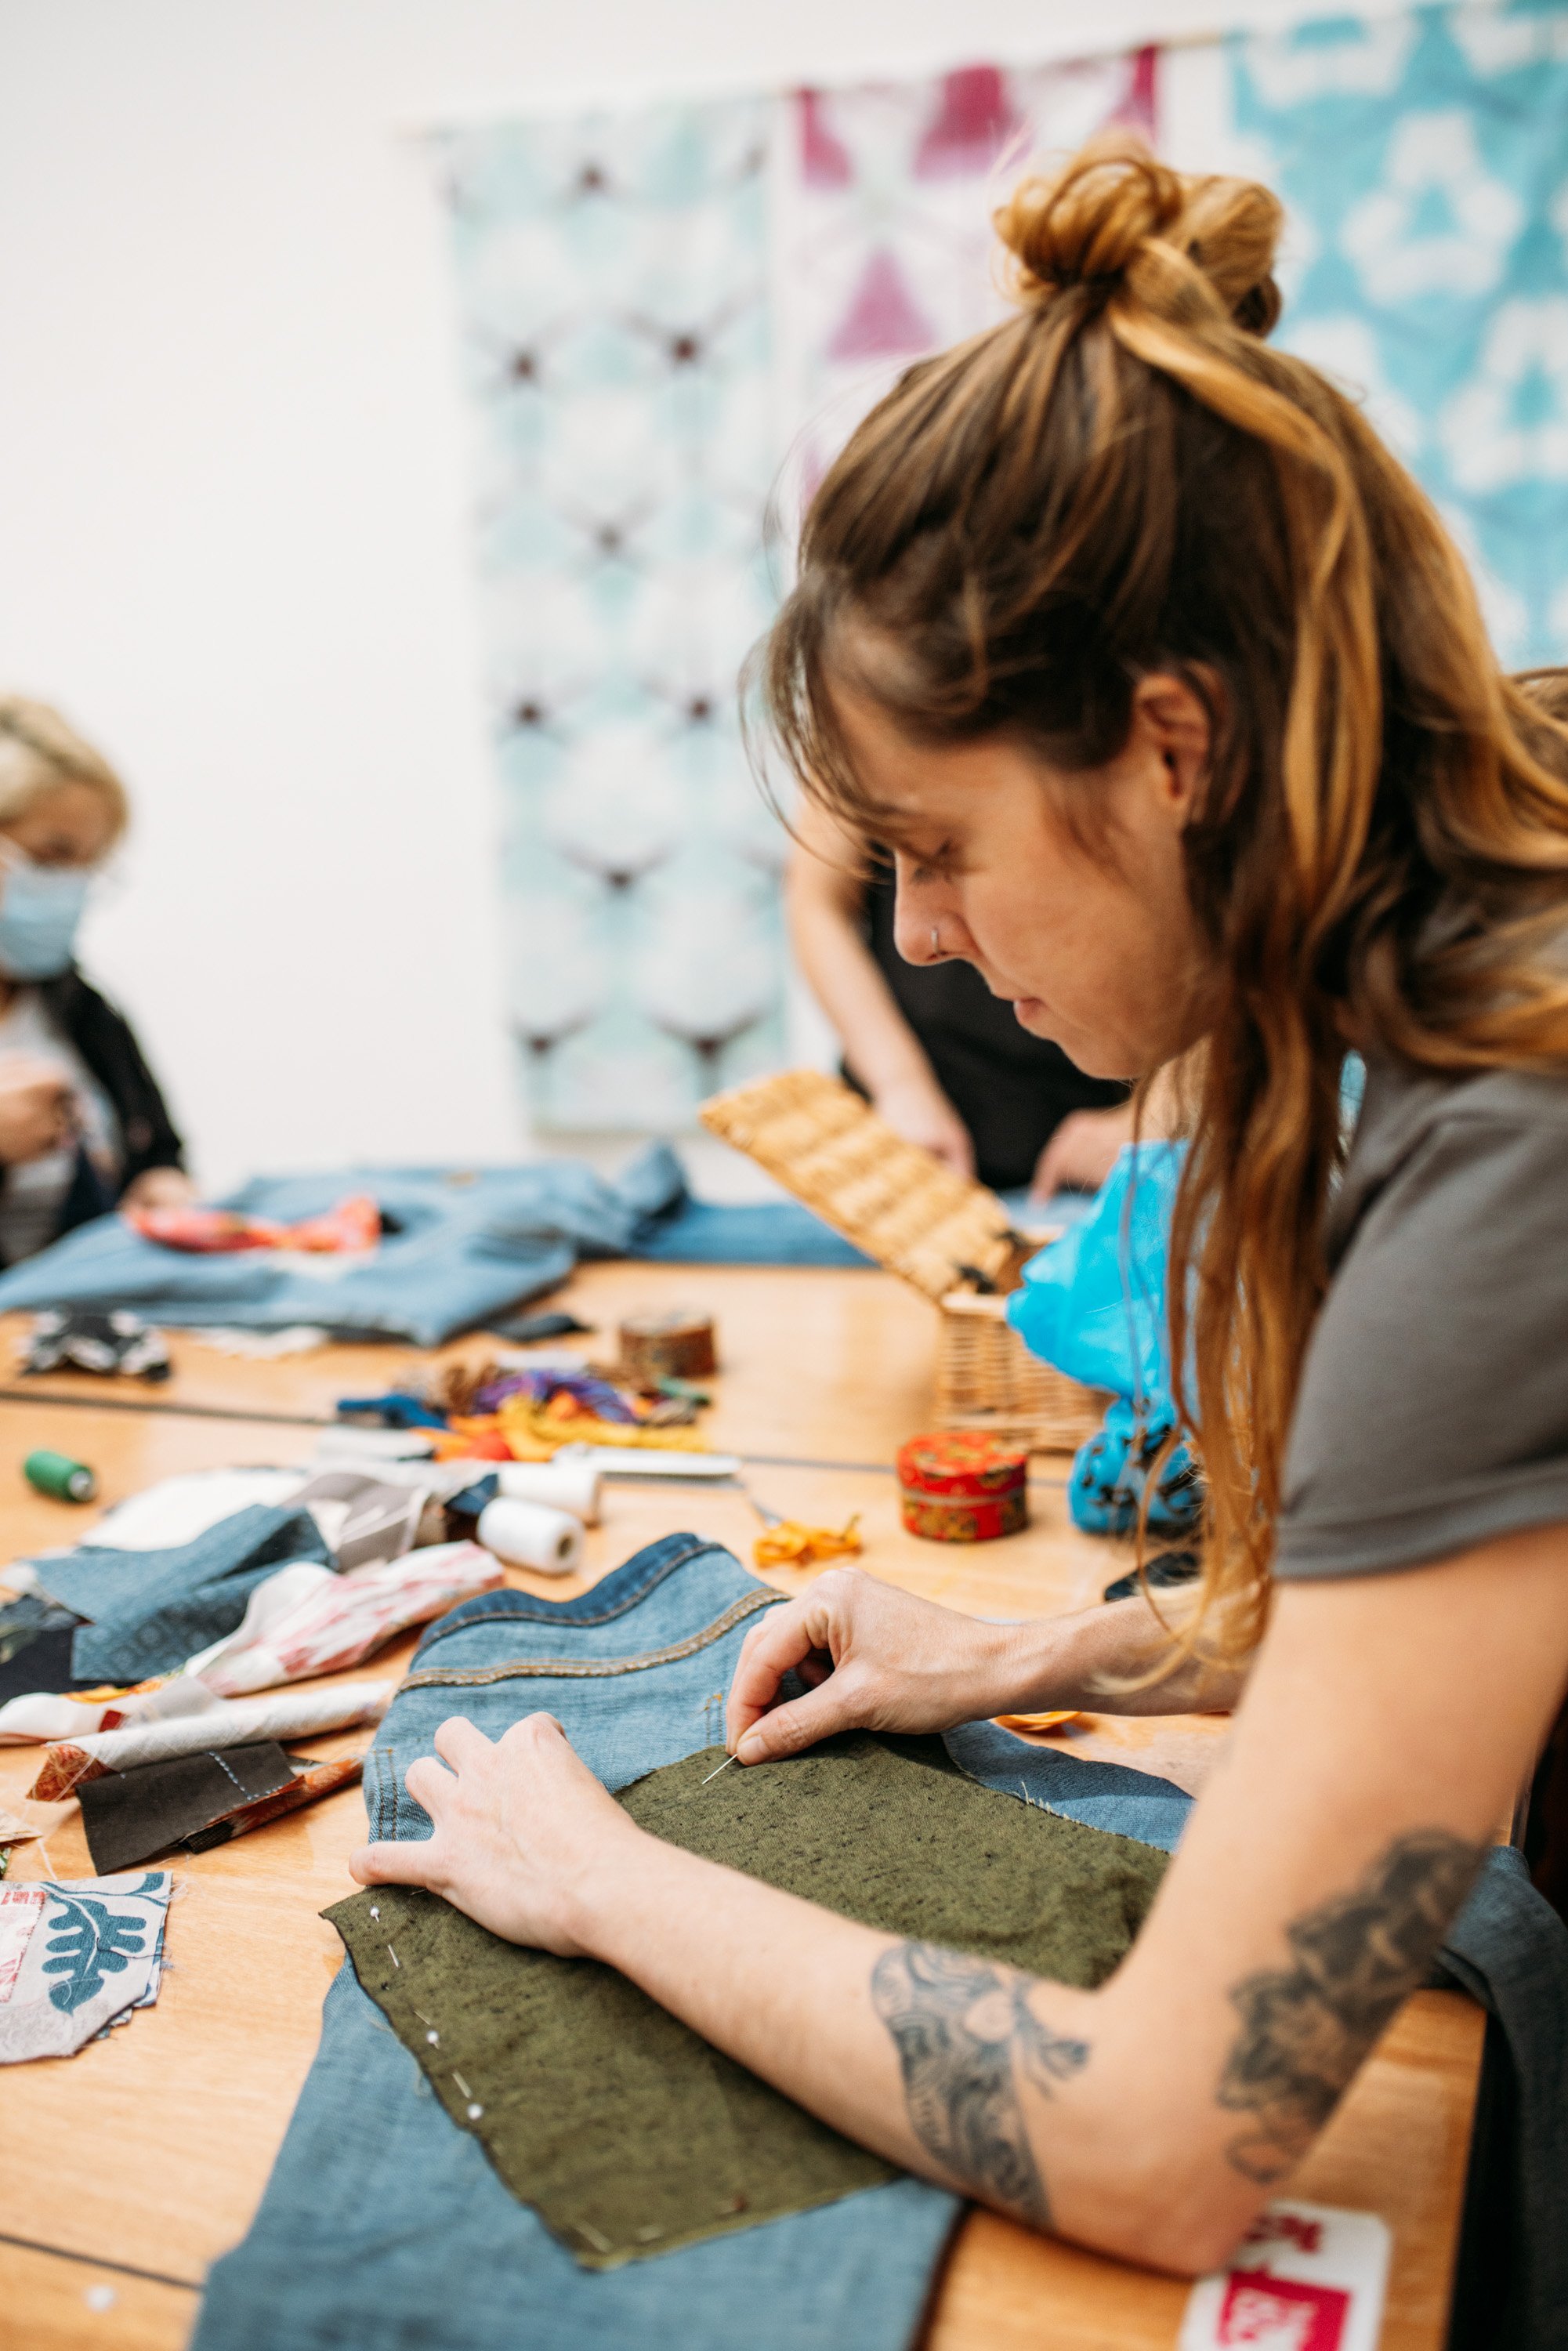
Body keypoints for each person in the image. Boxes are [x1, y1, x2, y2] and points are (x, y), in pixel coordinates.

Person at [350, 140, 1568, 2277]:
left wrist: (599, 1878)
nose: (910, 941)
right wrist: (1027, 1647)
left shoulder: (1508, 1130)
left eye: (936, 848)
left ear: (1171, 747)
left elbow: (1161, 2147)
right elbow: (1449, 1594)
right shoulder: (1466, 908)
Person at [788, 796, 1135, 1194]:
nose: (917, 941)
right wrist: (900, 1086)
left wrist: (1161, 1111)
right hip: (910, 1150)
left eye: (947, 854)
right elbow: (816, 902)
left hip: (1097, 1157)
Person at [0, 699, 194, 1264]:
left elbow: (159, 1150)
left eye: (89, 865)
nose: (70, 888)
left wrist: (161, 1185)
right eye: (52, 856)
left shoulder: (82, 1008)